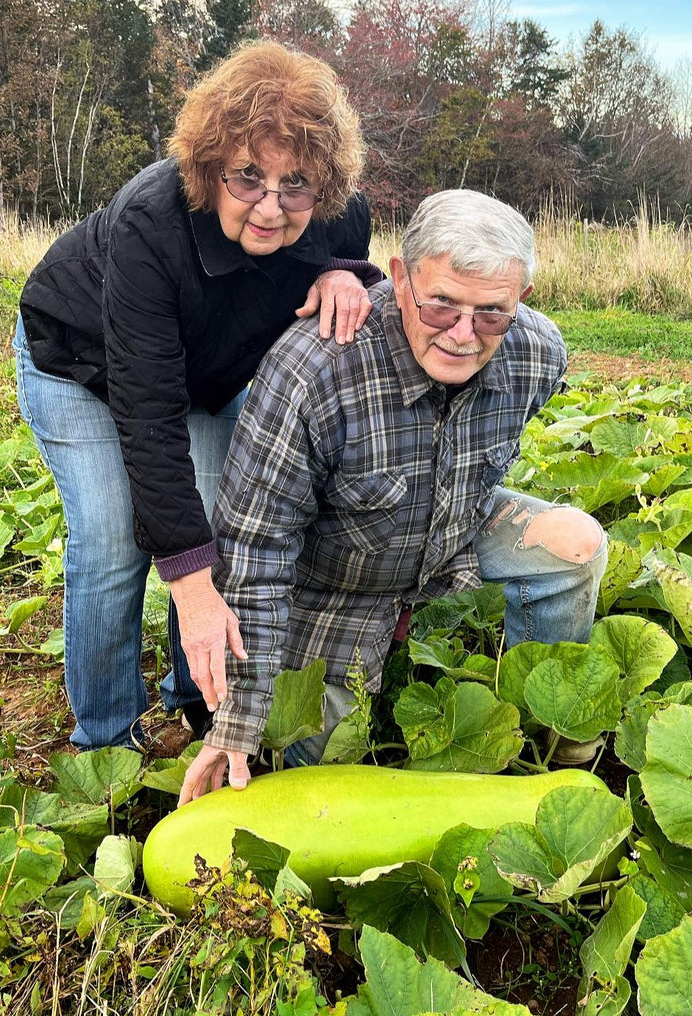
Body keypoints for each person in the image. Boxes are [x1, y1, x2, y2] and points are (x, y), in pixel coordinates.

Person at [178, 188, 608, 805]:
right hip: (331, 583)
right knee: (310, 762)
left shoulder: (537, 353)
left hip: (449, 530)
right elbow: (257, 549)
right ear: (401, 279)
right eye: (441, 306)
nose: (463, 334)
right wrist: (237, 721)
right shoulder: (314, 370)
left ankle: (548, 739)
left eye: (490, 312)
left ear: (521, 300)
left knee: (576, 544)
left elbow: (485, 461)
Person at [14, 41, 382, 751]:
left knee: (227, 523)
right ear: (210, 167)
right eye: (248, 177)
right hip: (82, 359)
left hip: (201, 375)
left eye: (296, 184)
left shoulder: (333, 209)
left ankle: (199, 696)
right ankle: (107, 737)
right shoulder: (149, 223)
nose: (272, 207)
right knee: (117, 535)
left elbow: (350, 230)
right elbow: (147, 413)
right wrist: (186, 580)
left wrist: (343, 270)